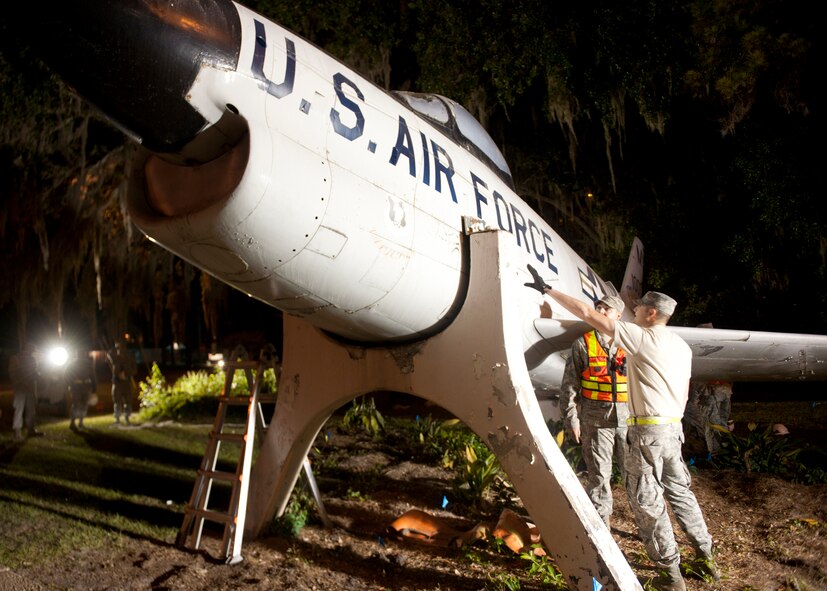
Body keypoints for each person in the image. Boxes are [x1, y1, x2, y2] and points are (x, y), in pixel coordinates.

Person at [540, 284, 719, 591]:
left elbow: (585, 313)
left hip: (646, 431)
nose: (632, 311)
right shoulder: (681, 346)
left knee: (646, 501)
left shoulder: (641, 336)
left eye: (637, 309)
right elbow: (686, 391)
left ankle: (671, 576)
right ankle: (706, 556)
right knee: (680, 492)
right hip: (672, 429)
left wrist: (549, 290)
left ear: (651, 313)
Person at [560, 294, 629, 530]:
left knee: (638, 477)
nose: (600, 310)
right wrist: (572, 419)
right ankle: (603, 532)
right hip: (595, 422)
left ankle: (648, 528)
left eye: (606, 309)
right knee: (599, 477)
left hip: (629, 422)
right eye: (597, 306)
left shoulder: (631, 343)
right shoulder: (583, 344)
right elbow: (570, 386)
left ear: (618, 316)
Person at [9, 342, 41, 440]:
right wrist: (22, 382)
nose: (32, 352)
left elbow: (34, 373)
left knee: (31, 410)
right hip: (20, 389)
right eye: (31, 350)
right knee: (19, 409)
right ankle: (17, 432)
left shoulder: (32, 360)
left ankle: (31, 429)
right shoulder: (15, 358)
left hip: (30, 388)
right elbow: (13, 374)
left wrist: (38, 374)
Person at [106, 341, 137, 424]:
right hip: (117, 383)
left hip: (127, 383)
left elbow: (134, 369)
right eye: (118, 348)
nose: (119, 350)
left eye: (121, 348)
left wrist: (126, 374)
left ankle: (127, 418)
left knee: (128, 401)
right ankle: (117, 419)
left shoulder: (129, 359)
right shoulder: (115, 358)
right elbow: (109, 354)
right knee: (117, 401)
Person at [67, 352, 97, 430]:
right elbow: (67, 375)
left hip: (86, 387)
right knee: (76, 405)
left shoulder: (88, 364)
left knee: (84, 405)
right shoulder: (72, 364)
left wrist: (94, 388)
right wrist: (71, 385)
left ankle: (81, 422)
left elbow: (93, 376)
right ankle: (72, 422)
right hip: (76, 388)